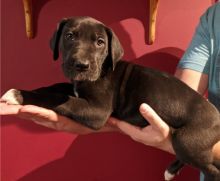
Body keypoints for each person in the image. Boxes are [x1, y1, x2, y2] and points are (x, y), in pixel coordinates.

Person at [0, 2, 220, 180]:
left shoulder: (108, 77)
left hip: (199, 132)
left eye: (98, 43)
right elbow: (185, 93)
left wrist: (173, 143)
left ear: (111, 53)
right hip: (194, 119)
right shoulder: (212, 19)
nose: (82, 57)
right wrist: (31, 96)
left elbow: (95, 116)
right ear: (57, 42)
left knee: (186, 146)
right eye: (70, 37)